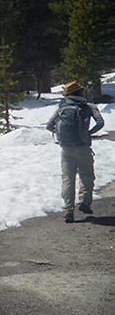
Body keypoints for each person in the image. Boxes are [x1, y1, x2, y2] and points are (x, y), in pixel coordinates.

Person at [46, 81, 105, 223]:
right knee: (87, 174)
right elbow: (100, 122)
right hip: (83, 147)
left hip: (66, 148)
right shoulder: (89, 106)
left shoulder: (61, 108)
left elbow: (49, 126)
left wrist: (61, 134)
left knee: (68, 178)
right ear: (80, 92)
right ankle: (85, 202)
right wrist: (88, 133)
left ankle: (68, 212)